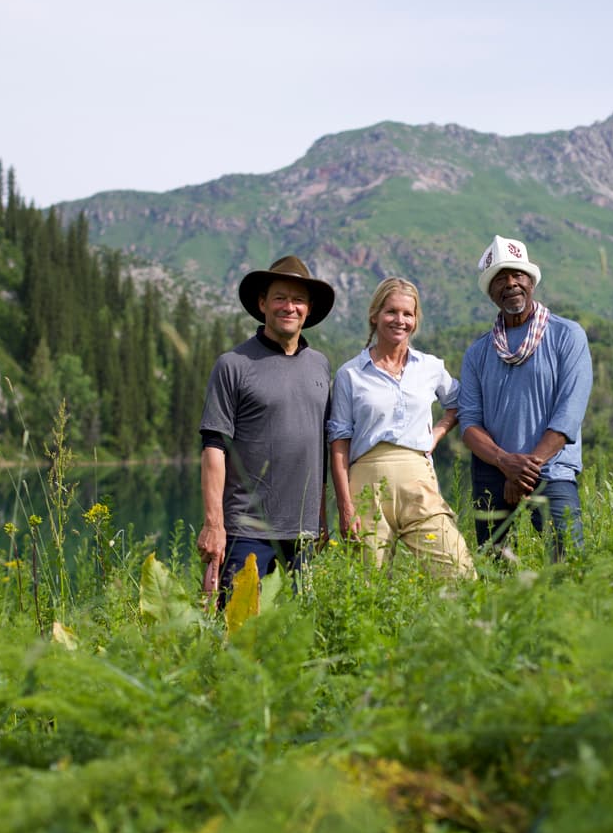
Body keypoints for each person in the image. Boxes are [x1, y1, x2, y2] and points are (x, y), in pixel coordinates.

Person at [197, 254, 334, 595]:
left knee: (301, 632)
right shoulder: (233, 364)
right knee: (239, 632)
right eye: (280, 297)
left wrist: (321, 520)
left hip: (304, 533)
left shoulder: (320, 365)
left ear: (309, 308)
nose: (290, 306)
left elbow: (319, 450)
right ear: (262, 304)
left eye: (298, 299)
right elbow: (214, 448)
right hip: (247, 530)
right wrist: (214, 525)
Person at [328, 277, 474, 578]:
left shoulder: (430, 367)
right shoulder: (350, 374)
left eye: (408, 314)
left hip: (418, 481)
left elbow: (459, 403)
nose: (400, 320)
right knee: (367, 588)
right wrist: (345, 506)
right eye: (391, 311)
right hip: (366, 485)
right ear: (374, 315)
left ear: (416, 320)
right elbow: (339, 443)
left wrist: (438, 432)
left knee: (459, 573)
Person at [457, 235, 592, 559]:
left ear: (531, 280)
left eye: (518, 274)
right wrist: (506, 463)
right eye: (500, 279)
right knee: (495, 571)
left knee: (567, 563)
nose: (511, 283)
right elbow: (469, 424)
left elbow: (568, 414)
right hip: (493, 471)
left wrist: (525, 469)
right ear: (491, 293)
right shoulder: (478, 352)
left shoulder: (567, 335)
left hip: (552, 469)